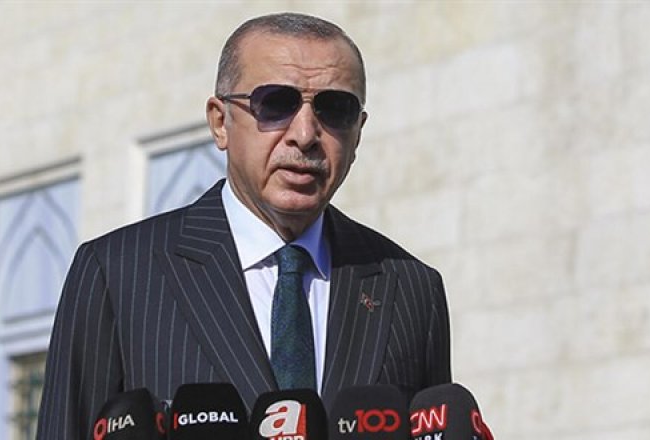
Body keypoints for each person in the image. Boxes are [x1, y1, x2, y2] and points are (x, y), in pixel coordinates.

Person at [36, 12, 451, 439]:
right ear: (220, 122)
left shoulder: (410, 287)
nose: (305, 133)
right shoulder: (118, 272)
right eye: (276, 104)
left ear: (358, 133)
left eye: (335, 109)